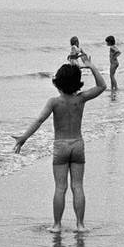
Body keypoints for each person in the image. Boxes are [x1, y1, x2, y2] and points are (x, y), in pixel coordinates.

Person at [12, 52, 106, 232]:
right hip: (77, 144)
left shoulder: (54, 102)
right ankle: (80, 224)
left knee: (60, 187)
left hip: (61, 146)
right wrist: (91, 66)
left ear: (58, 83)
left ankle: (56, 225)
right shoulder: (81, 99)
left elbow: (39, 120)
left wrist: (24, 137)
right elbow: (102, 86)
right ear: (77, 82)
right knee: (77, 186)